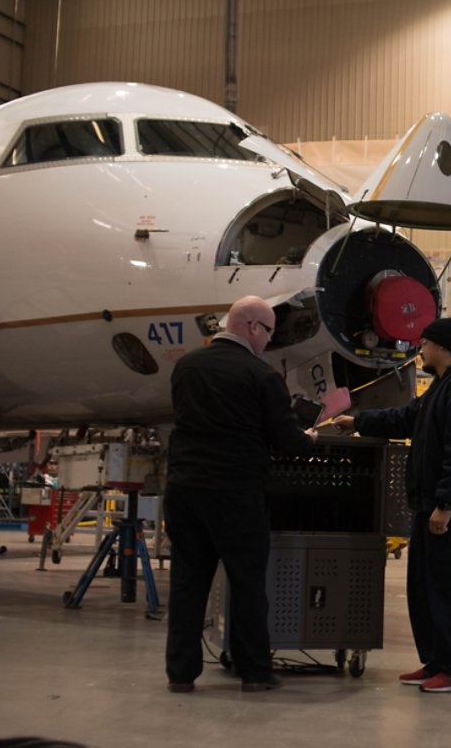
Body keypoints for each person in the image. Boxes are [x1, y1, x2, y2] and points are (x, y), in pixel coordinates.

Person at [163, 295, 318, 693]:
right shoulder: (260, 375)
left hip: (183, 489)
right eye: (268, 331)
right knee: (247, 583)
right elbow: (285, 441)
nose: (268, 340)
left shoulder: (186, 366)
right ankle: (254, 672)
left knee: (187, 582)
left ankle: (180, 674)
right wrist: (310, 438)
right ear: (252, 327)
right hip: (234, 492)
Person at [333, 316, 451, 693]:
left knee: (450, 590)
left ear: (440, 346)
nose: (419, 351)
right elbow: (404, 418)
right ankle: (436, 661)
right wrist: (356, 422)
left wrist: (447, 503)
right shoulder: (441, 388)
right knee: (425, 590)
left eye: (423, 344)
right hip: (428, 506)